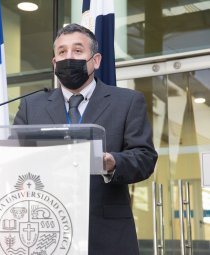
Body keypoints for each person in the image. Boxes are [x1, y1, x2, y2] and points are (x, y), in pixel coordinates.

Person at [13, 23, 158, 254]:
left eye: (78, 51)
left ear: (96, 60)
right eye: (62, 52)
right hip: (46, 231)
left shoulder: (127, 102)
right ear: (54, 63)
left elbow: (145, 157)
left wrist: (112, 163)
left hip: (107, 235)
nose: (68, 57)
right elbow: (14, 158)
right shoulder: (32, 106)